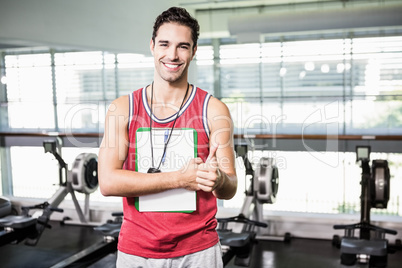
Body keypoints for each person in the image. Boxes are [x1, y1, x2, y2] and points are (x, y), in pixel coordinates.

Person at [98, 6, 237, 268]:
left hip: (199, 251)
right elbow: (107, 182)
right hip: (137, 249)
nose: (172, 55)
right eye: (164, 44)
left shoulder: (214, 109)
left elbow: (230, 187)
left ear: (194, 51)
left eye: (183, 46)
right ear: (152, 46)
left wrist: (218, 179)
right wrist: (179, 179)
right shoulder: (122, 108)